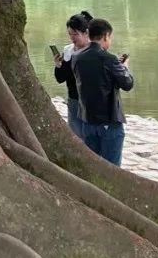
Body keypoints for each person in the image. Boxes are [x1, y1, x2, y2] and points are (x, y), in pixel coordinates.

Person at [71, 17, 133, 165]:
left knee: (95, 166)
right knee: (112, 168)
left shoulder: (76, 58)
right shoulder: (109, 59)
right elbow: (127, 84)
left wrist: (115, 66)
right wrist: (123, 68)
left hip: (87, 121)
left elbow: (94, 78)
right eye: (109, 37)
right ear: (105, 36)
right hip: (109, 121)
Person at [52, 10, 92, 139]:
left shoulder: (95, 51)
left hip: (91, 101)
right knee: (76, 135)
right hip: (74, 99)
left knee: (90, 136)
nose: (72, 38)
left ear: (86, 33)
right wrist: (58, 65)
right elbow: (60, 78)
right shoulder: (68, 50)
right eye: (70, 34)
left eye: (75, 34)